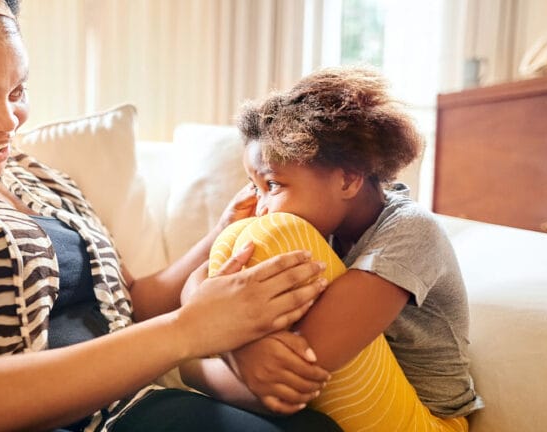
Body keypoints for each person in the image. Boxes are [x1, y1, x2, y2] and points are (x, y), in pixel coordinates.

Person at [0, 1, 344, 431]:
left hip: (137, 400)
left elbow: (129, 301)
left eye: (18, 91)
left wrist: (223, 232)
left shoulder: (35, 178)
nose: (10, 120)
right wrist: (188, 331)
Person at [179, 66, 485, 431]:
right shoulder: (326, 230)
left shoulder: (411, 231)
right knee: (237, 234)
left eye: (273, 185)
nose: (261, 206)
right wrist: (231, 348)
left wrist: (193, 365)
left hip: (427, 422)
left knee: (269, 234)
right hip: (359, 408)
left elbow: (297, 377)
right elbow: (197, 281)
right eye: (255, 187)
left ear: (348, 178)